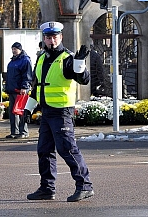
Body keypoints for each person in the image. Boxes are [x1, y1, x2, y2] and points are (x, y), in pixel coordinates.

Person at [27, 21, 94, 202]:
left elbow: (84, 80)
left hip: (62, 112)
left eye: (55, 37)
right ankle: (47, 188)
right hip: (47, 112)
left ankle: (85, 186)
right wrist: (28, 108)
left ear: (61, 37)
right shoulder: (41, 58)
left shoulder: (67, 58)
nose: (52, 40)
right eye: (48, 37)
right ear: (44, 39)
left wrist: (79, 63)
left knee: (67, 149)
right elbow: (37, 87)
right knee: (44, 150)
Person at [5, 42, 33, 139]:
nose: (13, 51)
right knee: (13, 112)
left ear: (20, 49)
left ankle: (23, 131)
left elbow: (27, 75)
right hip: (12, 89)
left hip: (20, 90)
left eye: (15, 49)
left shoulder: (25, 60)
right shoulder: (13, 61)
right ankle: (14, 131)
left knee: (21, 111)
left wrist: (25, 87)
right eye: (12, 49)